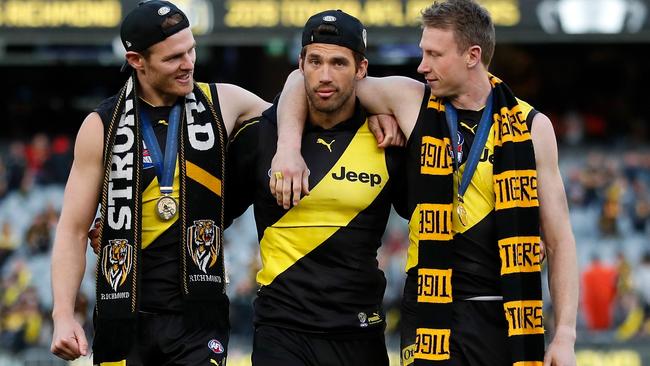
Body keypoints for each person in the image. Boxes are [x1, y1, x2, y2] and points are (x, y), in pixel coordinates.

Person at [271, 1, 578, 365]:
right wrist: (288, 149)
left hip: (504, 314)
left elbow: (559, 240)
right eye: (423, 52)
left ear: (472, 55)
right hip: (430, 312)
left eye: (434, 54)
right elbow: (300, 81)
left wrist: (565, 335)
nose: (422, 66)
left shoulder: (530, 126)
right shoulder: (409, 100)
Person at [49, 1, 271, 364]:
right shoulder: (100, 126)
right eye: (173, 58)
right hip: (122, 320)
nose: (189, 64)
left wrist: (376, 113)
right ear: (137, 60)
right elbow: (73, 230)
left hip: (199, 321)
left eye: (191, 50)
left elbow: (296, 112)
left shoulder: (224, 101)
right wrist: (62, 315)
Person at [226, 10, 406, 366]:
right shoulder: (261, 137)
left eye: (339, 63)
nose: (325, 75)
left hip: (361, 334)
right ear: (300, 64)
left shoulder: (387, 138)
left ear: (361, 69)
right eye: (315, 61)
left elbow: (431, 216)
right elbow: (206, 216)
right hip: (281, 334)